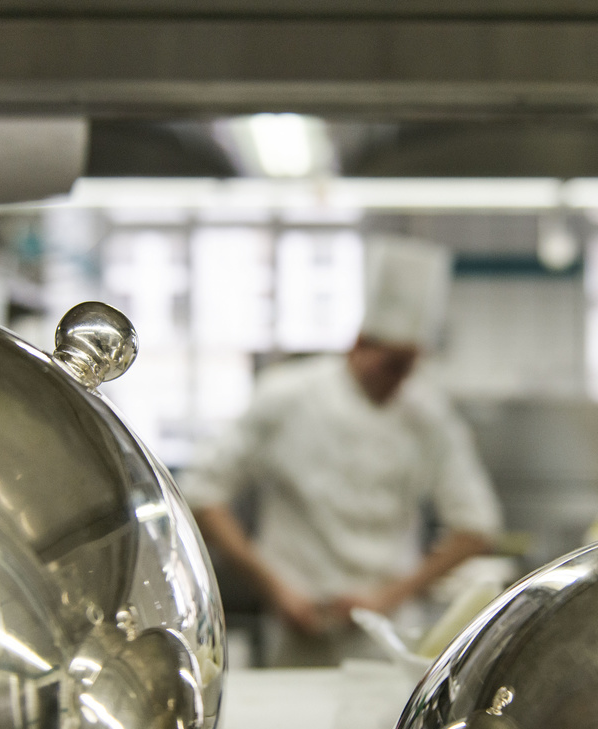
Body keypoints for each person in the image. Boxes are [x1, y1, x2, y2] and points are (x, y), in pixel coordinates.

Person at [177, 236, 502, 666]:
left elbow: (477, 527)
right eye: (392, 365)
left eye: (410, 367)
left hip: (389, 634)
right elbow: (203, 494)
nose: (400, 380)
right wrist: (275, 589)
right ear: (359, 344)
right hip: (297, 630)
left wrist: (389, 596)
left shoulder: (430, 418)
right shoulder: (287, 397)